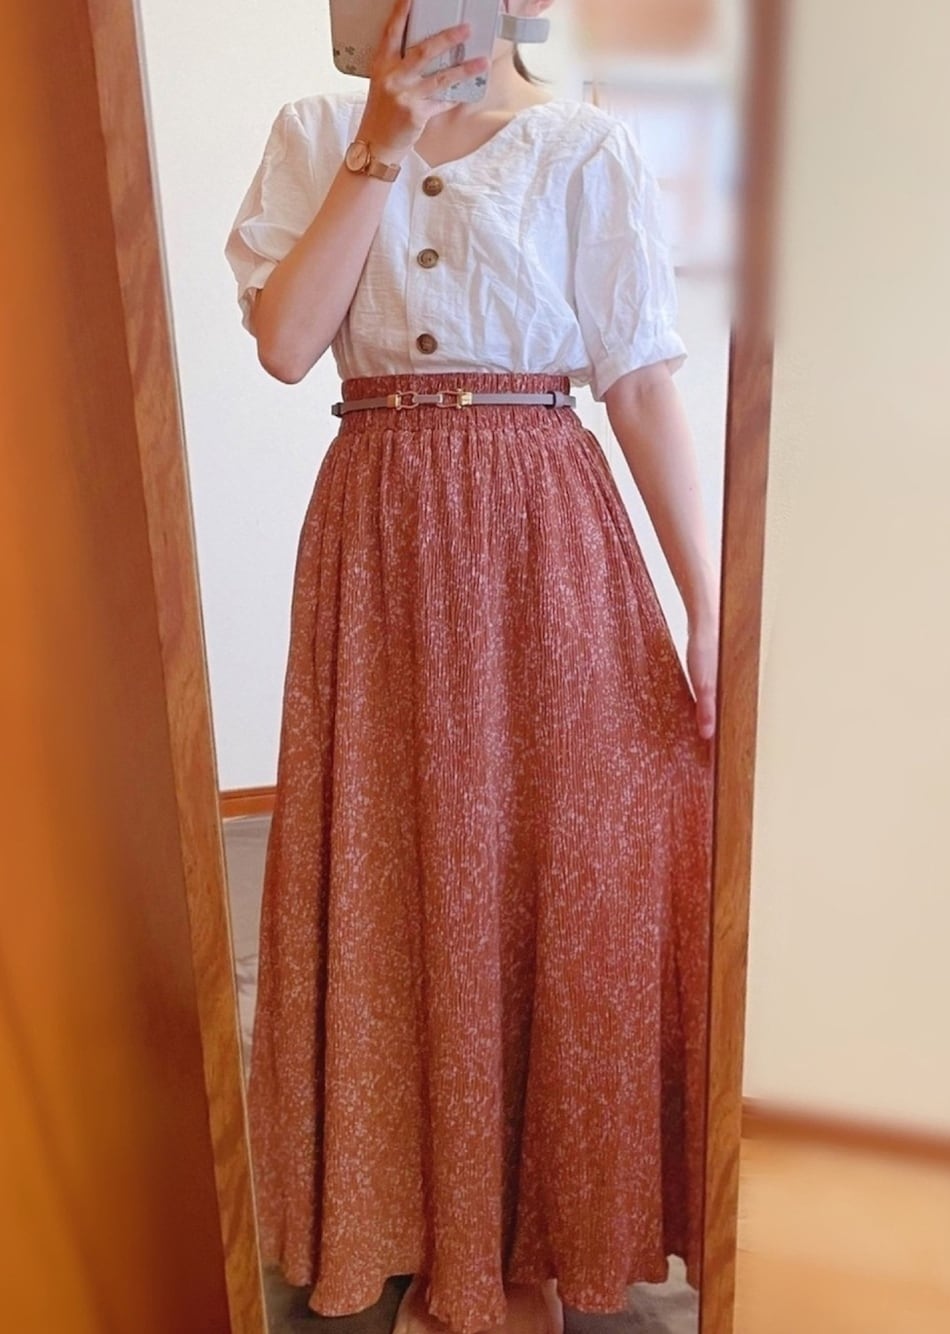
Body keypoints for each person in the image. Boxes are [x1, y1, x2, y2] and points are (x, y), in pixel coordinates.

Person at [223, 2, 718, 1333]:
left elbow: (642, 383)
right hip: (379, 534)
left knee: (558, 863)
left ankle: (531, 1235)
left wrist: (708, 605)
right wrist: (380, 143)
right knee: (398, 866)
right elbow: (285, 345)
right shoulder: (316, 134)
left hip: (546, 527)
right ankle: (416, 1224)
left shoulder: (586, 147)